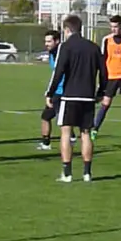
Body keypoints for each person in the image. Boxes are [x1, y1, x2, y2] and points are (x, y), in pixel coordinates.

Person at [45, 15, 107, 183]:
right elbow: (104, 72)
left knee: (66, 132)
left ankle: (67, 173)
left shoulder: (66, 47)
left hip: (69, 96)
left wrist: (49, 93)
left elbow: (58, 72)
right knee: (85, 133)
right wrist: (101, 92)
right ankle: (87, 173)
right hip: (88, 96)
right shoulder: (94, 47)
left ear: (67, 30)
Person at [37, 30, 76, 150]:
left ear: (57, 41)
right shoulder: (52, 54)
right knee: (46, 117)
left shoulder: (63, 52)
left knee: (61, 120)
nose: (46, 44)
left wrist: (49, 92)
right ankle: (47, 143)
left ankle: (70, 139)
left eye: (49, 41)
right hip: (56, 91)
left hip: (63, 92)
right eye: (45, 41)